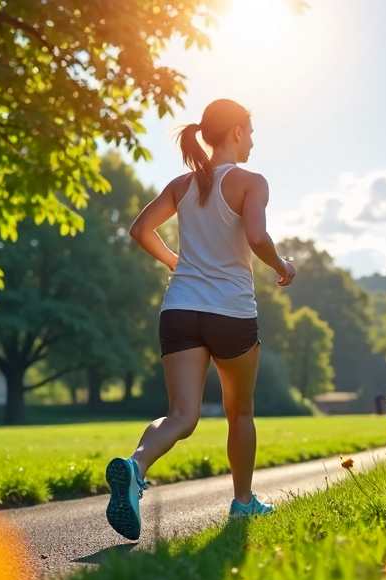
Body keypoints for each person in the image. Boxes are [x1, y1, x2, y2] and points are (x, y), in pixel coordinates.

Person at [105, 99, 296, 541]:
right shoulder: (251, 182)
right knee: (240, 411)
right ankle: (244, 504)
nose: (252, 140)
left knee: (181, 415)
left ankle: (135, 467)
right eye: (249, 131)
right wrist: (282, 266)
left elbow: (139, 230)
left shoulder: (181, 184)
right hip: (230, 312)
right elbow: (256, 236)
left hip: (180, 309)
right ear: (234, 133)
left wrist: (177, 263)